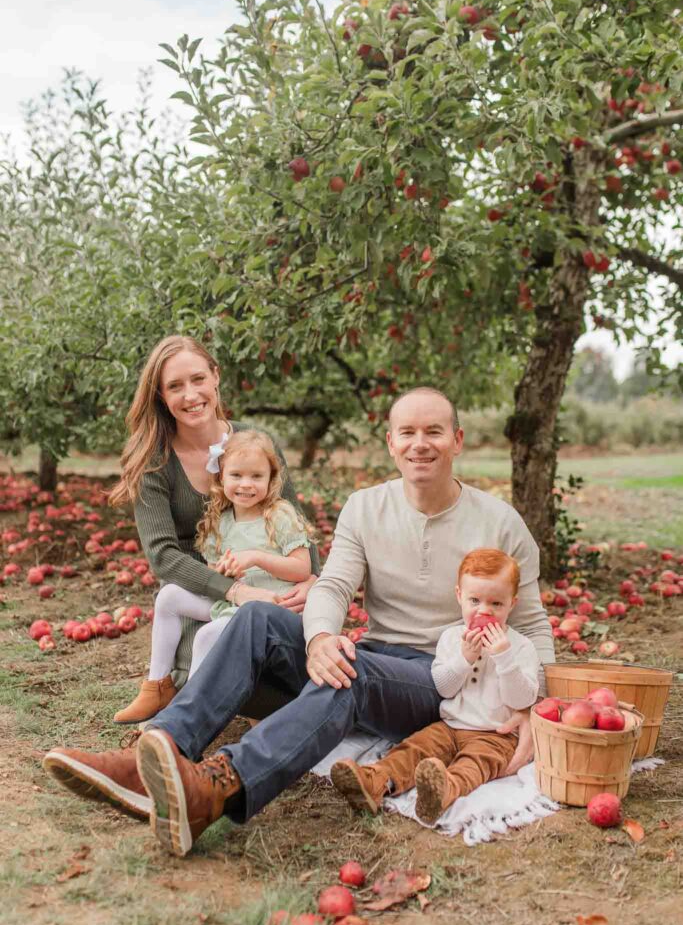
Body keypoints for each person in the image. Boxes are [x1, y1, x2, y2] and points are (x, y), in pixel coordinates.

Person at [44, 386, 554, 854]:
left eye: (434, 432)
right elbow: (331, 585)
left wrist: (538, 707)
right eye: (408, 433)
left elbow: (531, 624)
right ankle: (155, 755)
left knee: (345, 676)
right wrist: (320, 638)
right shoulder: (365, 507)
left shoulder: (499, 521)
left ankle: (216, 788)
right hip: (378, 653)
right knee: (258, 619)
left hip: (442, 679)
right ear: (391, 443)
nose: (421, 444)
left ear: (457, 440)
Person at [107, 334, 319, 700]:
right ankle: (169, 702)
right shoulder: (152, 461)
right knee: (215, 660)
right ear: (160, 395)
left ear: (216, 377)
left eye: (198, 379)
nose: (190, 395)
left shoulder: (258, 443)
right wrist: (235, 591)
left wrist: (313, 579)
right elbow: (163, 557)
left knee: (274, 669)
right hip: (203, 588)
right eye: (175, 386)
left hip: (271, 584)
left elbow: (295, 523)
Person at [113, 430, 313, 724]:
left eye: (256, 476)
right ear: (221, 478)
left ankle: (187, 716)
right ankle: (157, 684)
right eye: (236, 475)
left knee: (206, 636)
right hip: (233, 602)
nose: (246, 484)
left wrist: (257, 558)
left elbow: (302, 568)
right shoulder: (220, 520)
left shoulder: (278, 515)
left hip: (268, 608)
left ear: (272, 479)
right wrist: (221, 572)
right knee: (168, 596)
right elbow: (213, 569)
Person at [330, 548, 541, 824]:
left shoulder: (522, 647)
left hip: (495, 735)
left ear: (512, 604)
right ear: (459, 597)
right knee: (415, 748)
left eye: (496, 604)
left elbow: (521, 700)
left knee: (475, 765)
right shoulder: (452, 639)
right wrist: (464, 658)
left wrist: (504, 658)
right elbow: (443, 688)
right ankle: (374, 781)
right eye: (474, 600)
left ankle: (443, 791)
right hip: (451, 726)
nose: (484, 611)